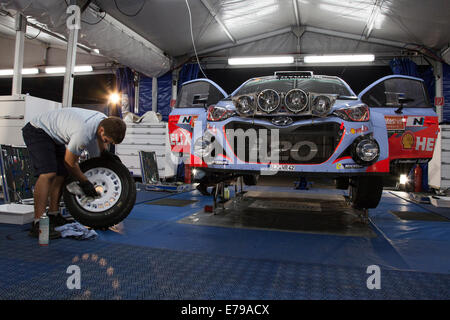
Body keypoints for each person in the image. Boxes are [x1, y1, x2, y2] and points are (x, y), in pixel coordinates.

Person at [21, 107, 127, 239]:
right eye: (107, 141)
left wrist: (104, 154)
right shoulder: (84, 132)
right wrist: (85, 182)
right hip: (37, 131)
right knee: (48, 174)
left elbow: (99, 143)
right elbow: (70, 163)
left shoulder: (103, 121)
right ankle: (38, 224)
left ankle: (54, 215)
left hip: (54, 135)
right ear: (101, 130)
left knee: (62, 174)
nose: (106, 143)